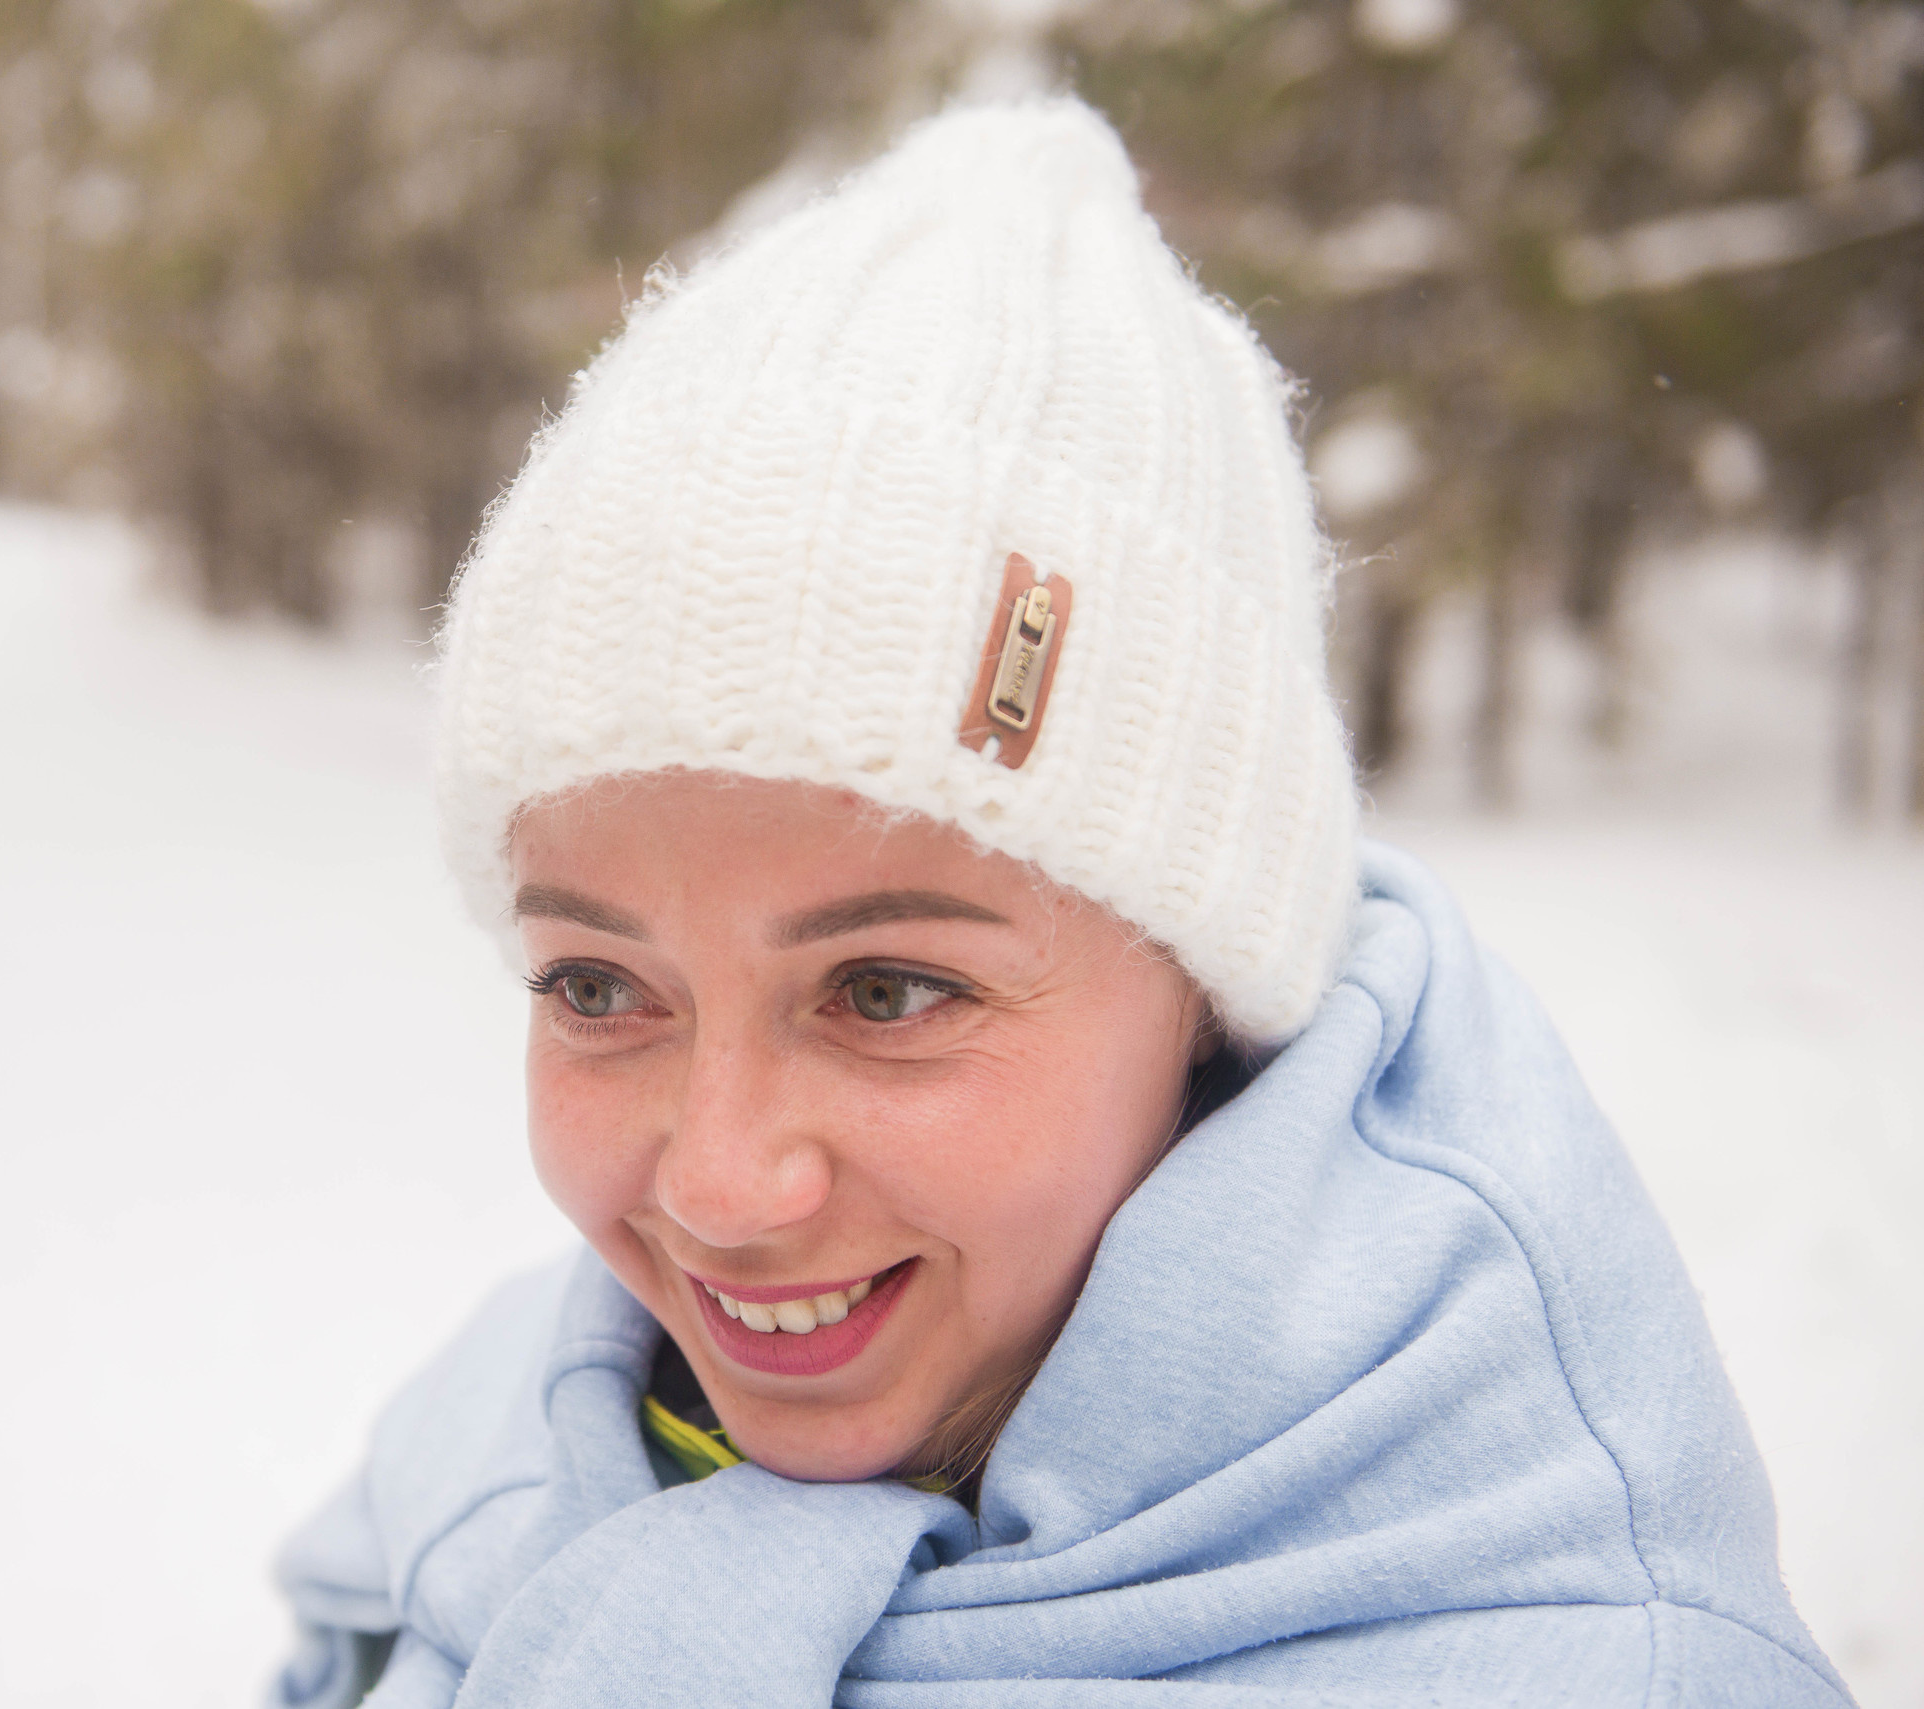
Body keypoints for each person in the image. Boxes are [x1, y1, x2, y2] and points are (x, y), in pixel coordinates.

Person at [265, 99, 1849, 1706]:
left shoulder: (1581, 1662)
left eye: (886, 990)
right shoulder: (494, 1450)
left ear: (1208, 987)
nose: (723, 1188)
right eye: (597, 987)